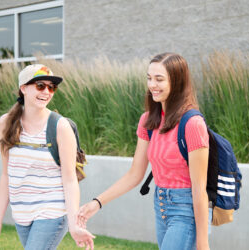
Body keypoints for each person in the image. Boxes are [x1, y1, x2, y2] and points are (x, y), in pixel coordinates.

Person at [77, 53, 212, 250]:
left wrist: (203, 243)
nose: (152, 85)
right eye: (149, 78)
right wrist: (96, 203)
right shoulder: (148, 120)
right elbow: (134, 174)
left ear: (177, 82)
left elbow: (200, 190)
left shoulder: (192, 124)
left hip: (186, 210)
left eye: (159, 79)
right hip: (161, 206)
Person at [0, 64, 95, 250]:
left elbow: (70, 179)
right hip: (22, 213)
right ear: (23, 88)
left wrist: (73, 224)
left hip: (52, 212)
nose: (47, 92)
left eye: (52, 87)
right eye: (40, 85)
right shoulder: (5, 123)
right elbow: (7, 174)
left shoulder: (60, 126)